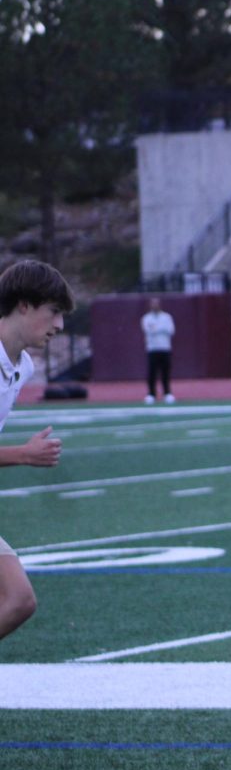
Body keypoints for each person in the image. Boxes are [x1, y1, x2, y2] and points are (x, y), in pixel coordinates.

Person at [0, 260, 74, 641]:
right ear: (24, 305)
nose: (59, 325)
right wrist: (24, 455)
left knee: (18, 601)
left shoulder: (22, 365)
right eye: (54, 312)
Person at [141, 297, 176, 404]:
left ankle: (167, 393)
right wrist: (161, 328)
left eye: (156, 303)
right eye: (153, 304)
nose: (155, 305)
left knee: (165, 372)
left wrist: (157, 328)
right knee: (152, 373)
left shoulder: (167, 317)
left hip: (165, 348)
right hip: (152, 349)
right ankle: (151, 394)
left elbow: (170, 330)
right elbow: (148, 330)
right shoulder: (146, 318)